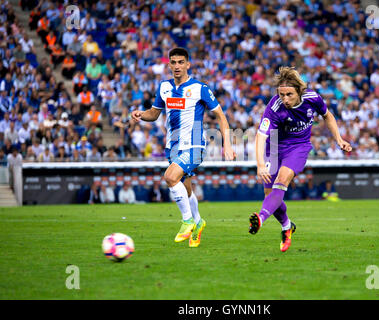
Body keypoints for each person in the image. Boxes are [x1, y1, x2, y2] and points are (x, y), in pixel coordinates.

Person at [131, 47, 235, 248]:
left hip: (195, 144)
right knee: (185, 189)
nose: (177, 66)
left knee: (170, 177)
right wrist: (141, 114)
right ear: (169, 64)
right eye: (173, 62)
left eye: (181, 62)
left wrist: (227, 145)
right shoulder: (164, 87)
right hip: (173, 145)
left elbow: (221, 116)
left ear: (188, 64)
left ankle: (187, 221)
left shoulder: (200, 88)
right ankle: (198, 223)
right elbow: (154, 114)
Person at [250, 67, 352, 252]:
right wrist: (259, 164)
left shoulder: (312, 98)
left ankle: (261, 218)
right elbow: (261, 136)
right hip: (273, 149)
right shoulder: (274, 107)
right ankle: (287, 226)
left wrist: (339, 139)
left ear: (299, 91)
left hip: (298, 147)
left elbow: (327, 115)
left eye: (289, 94)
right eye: (282, 94)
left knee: (281, 181)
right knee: (270, 196)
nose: (285, 99)